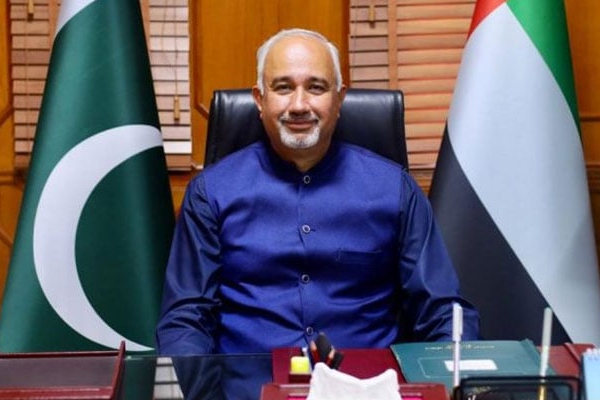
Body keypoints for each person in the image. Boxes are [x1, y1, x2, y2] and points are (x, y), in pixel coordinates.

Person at [156, 28, 479, 355]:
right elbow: (186, 318)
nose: (299, 105)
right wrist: (191, 379)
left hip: (366, 380)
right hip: (249, 380)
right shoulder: (211, 193)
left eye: (316, 87)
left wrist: (453, 369)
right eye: (283, 87)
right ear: (259, 99)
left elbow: (442, 311)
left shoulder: (395, 190)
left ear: (339, 99)